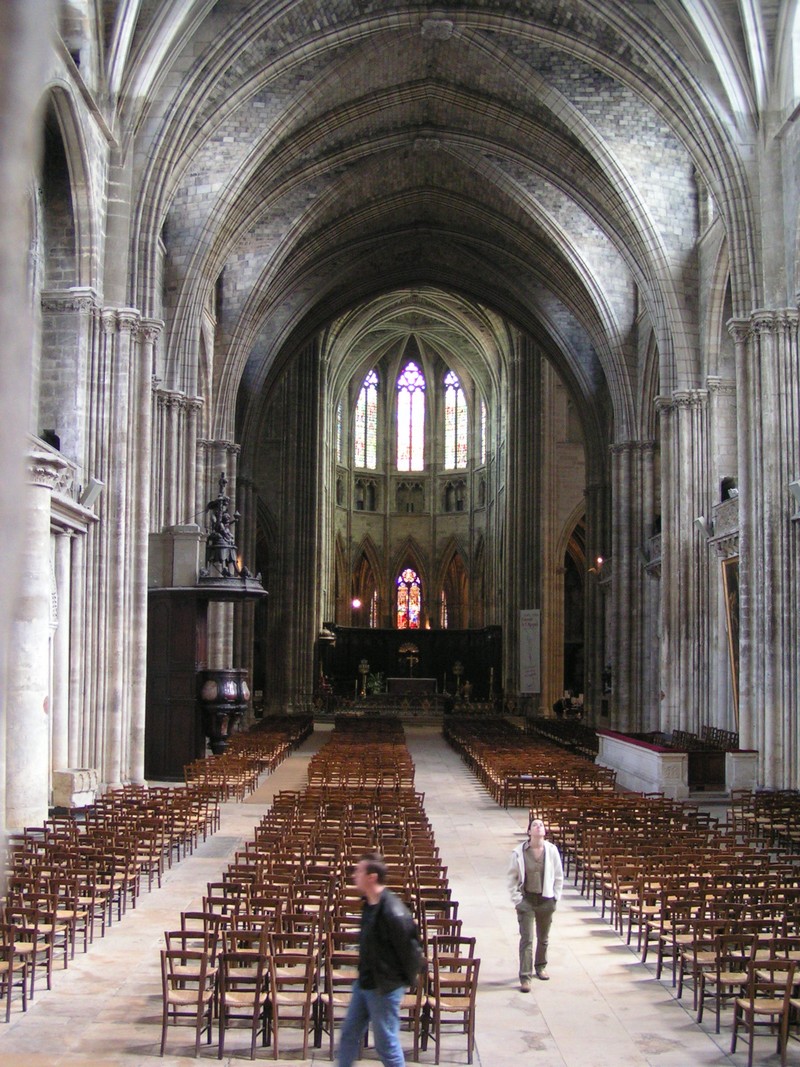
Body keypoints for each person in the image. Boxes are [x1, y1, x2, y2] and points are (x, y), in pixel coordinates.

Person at [337, 852, 423, 1067]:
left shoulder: (394, 912)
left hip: (384, 988)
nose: (354, 875)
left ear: (371, 877)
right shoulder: (369, 904)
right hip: (365, 982)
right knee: (348, 1035)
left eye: (359, 871)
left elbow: (412, 954)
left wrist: (398, 985)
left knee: (386, 1045)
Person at [507, 817, 564, 990]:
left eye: (541, 825)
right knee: (527, 939)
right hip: (527, 900)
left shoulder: (551, 850)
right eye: (535, 825)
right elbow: (512, 878)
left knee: (543, 937)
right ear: (529, 831)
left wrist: (555, 897)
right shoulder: (519, 852)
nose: (538, 827)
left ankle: (540, 966)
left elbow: (558, 876)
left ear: (544, 831)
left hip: (546, 900)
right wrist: (517, 900)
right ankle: (525, 976)